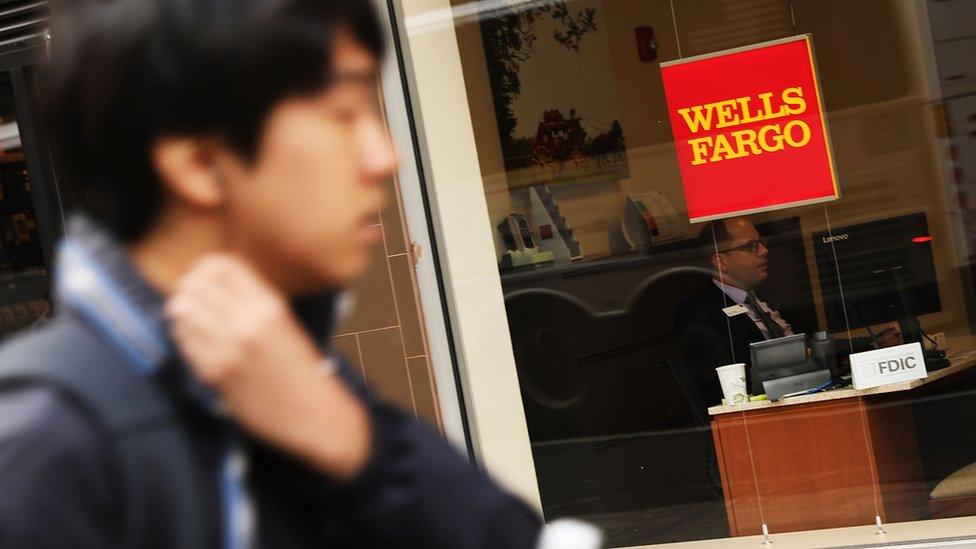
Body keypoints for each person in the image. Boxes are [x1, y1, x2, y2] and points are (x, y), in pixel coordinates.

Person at [0, 1, 601, 548]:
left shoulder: (292, 376)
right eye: (343, 113)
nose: (385, 156)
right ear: (202, 163)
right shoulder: (45, 447)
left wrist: (357, 448)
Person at [674, 217, 797, 405]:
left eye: (762, 243)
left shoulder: (759, 300)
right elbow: (722, 381)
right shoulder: (699, 313)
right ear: (721, 261)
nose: (764, 251)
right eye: (751, 246)